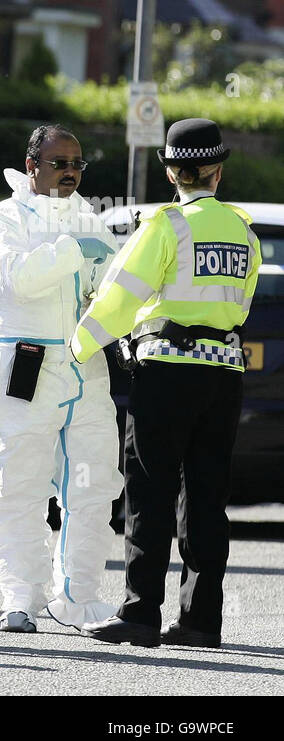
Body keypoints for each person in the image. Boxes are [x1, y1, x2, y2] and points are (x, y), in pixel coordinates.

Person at [77, 119, 260, 649]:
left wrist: (79, 346)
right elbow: (241, 304)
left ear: (171, 172)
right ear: (218, 173)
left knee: (150, 491)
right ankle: (201, 622)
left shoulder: (165, 226)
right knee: (207, 496)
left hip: (167, 372)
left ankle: (140, 614)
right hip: (224, 375)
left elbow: (119, 296)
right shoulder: (245, 232)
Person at [0, 125, 123, 633]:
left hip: (83, 363)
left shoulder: (88, 218)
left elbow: (111, 290)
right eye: (59, 162)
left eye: (78, 163)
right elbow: (17, 279)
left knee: (94, 482)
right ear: (32, 165)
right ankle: (20, 598)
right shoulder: (3, 220)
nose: (71, 172)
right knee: (22, 481)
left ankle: (77, 597)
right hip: (27, 360)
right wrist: (73, 252)